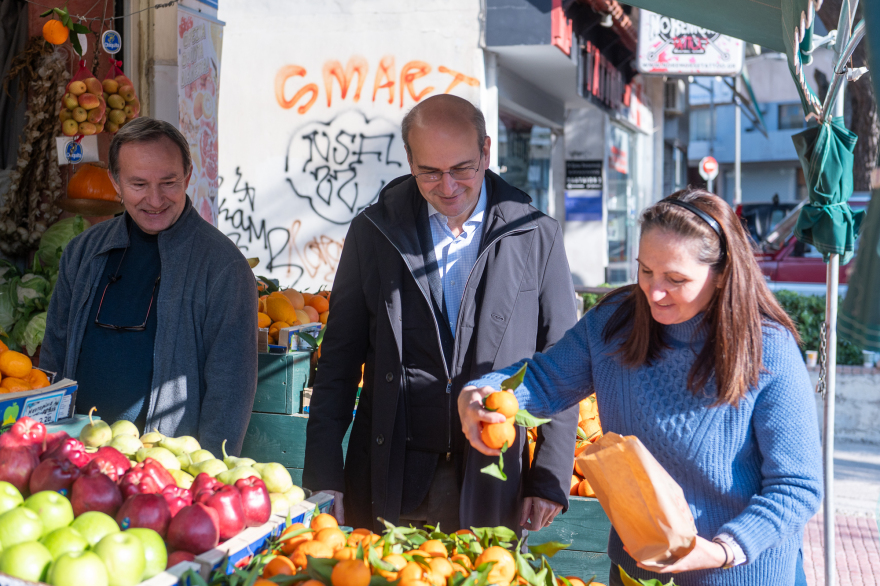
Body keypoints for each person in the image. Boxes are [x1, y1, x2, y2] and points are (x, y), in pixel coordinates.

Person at [458, 188, 823, 586]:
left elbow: (796, 486)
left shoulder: (767, 348)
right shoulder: (615, 322)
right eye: (645, 271)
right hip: (634, 573)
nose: (654, 291)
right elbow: (545, 379)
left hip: (740, 573)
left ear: (721, 277)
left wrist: (721, 550)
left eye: (676, 278)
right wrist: (482, 393)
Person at [303, 94, 579, 534]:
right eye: (430, 171)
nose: (447, 186)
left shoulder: (534, 234)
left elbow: (563, 360)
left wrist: (548, 477)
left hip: (493, 477)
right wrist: (322, 472)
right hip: (387, 474)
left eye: (462, 169)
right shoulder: (373, 231)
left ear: (486, 151)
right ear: (409, 159)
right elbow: (338, 358)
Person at [41, 117, 258, 457]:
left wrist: (210, 474)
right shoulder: (82, 252)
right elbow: (53, 354)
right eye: (139, 184)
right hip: (74, 457)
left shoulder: (223, 267)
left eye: (169, 182)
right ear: (116, 183)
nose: (155, 200)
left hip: (163, 473)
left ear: (187, 176)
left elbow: (230, 391)